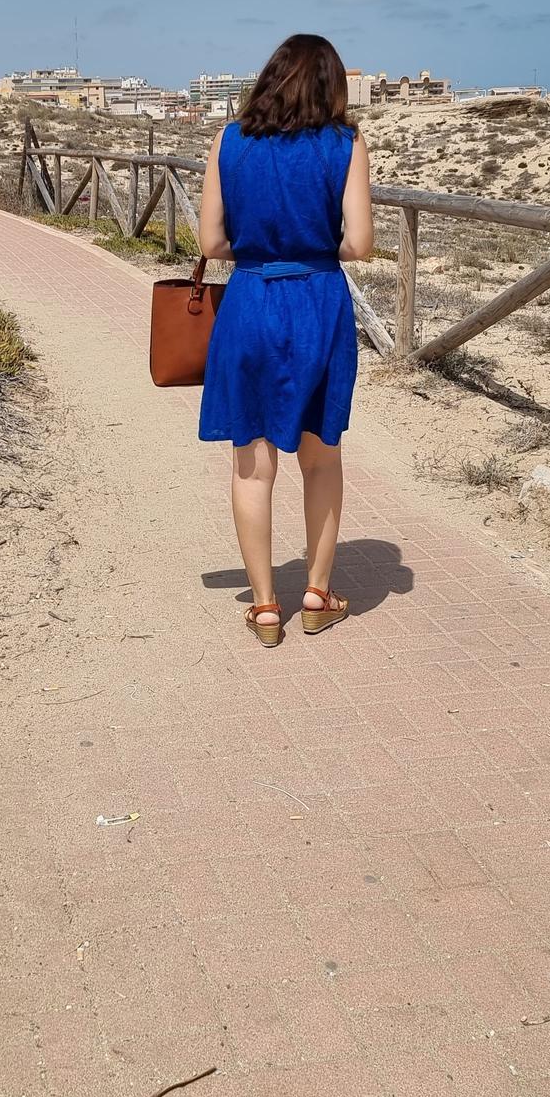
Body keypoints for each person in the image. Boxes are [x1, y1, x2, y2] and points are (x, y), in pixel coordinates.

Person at [197, 34, 374, 647]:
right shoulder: (346, 145)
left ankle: (267, 607)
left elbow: (211, 245)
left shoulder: (228, 141)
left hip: (249, 302)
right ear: (331, 86)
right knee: (320, 455)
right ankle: (319, 595)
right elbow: (358, 245)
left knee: (252, 465)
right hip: (317, 301)